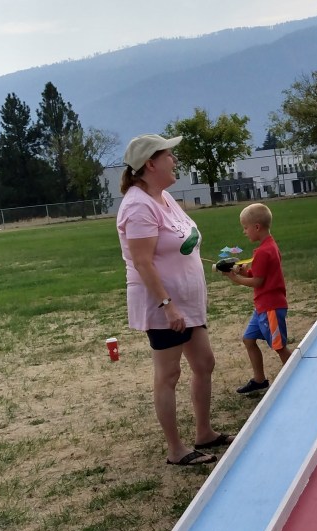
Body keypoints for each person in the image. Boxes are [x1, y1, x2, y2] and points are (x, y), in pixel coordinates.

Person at [117, 133, 234, 465]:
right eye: (169, 155)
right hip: (164, 306)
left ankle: (204, 432)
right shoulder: (138, 206)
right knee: (168, 375)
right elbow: (142, 262)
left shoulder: (164, 197)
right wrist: (167, 306)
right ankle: (176, 450)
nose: (175, 160)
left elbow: (180, 243)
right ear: (150, 164)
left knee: (204, 363)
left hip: (186, 302)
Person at [223, 203, 290, 395]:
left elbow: (258, 282)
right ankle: (259, 381)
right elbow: (261, 275)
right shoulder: (269, 246)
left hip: (270, 307)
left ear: (257, 227)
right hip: (262, 307)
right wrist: (245, 272)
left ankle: (299, 375)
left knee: (279, 347)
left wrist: (235, 278)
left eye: (245, 227)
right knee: (248, 339)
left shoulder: (263, 251)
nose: (244, 232)